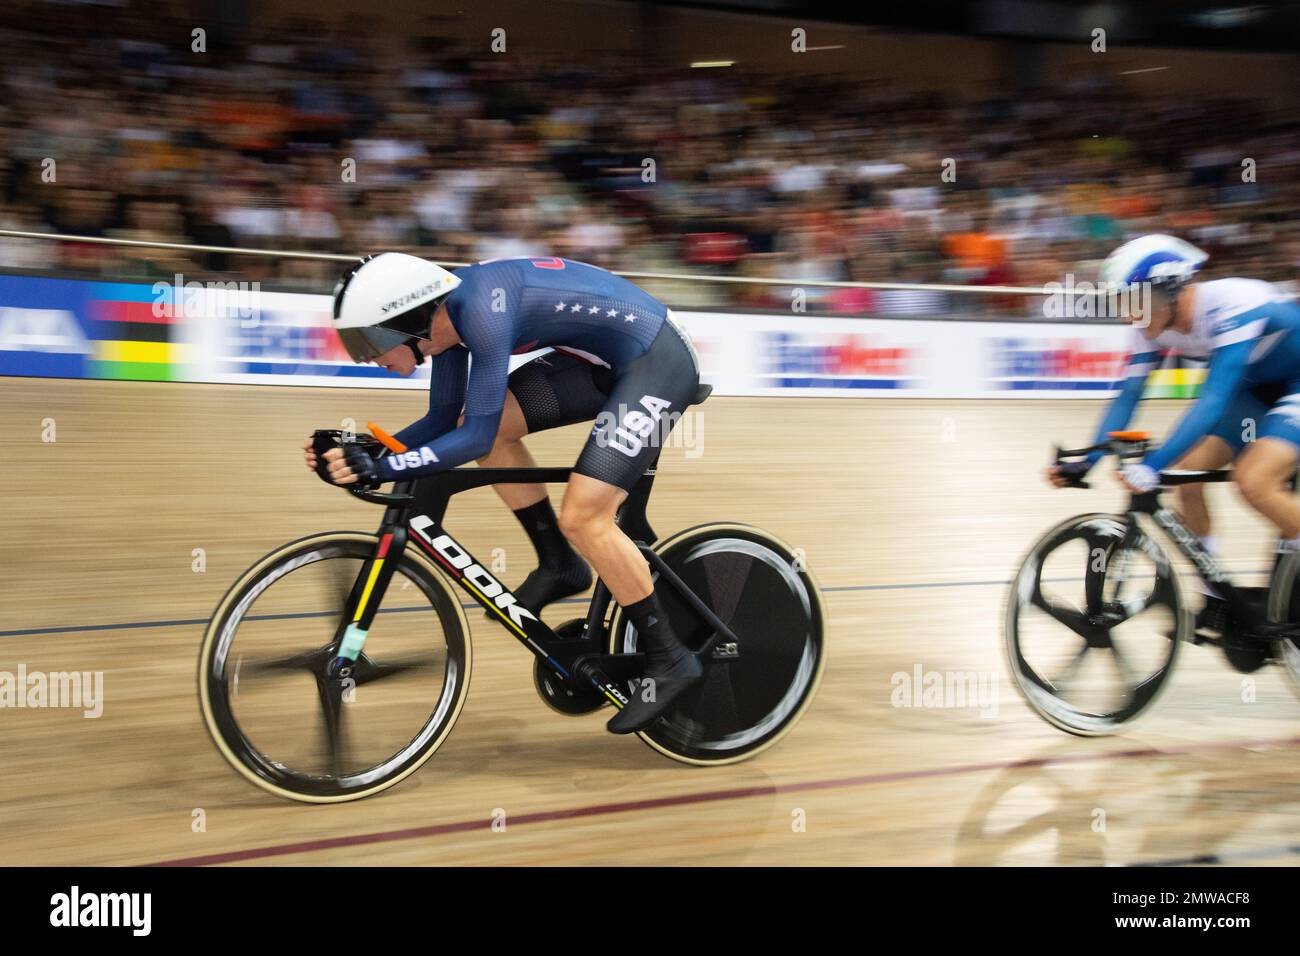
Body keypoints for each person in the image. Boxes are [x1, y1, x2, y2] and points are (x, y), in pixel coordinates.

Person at [303, 252, 704, 733]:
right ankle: (560, 562)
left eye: (368, 341)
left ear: (404, 318)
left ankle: (671, 657)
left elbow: (471, 436)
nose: (367, 356)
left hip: (655, 360)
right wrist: (367, 450)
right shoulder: (445, 327)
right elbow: (442, 422)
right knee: (478, 432)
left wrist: (385, 466)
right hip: (596, 362)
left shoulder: (480, 309)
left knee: (584, 515)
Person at [1047, 234, 1300, 639]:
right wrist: (1086, 461)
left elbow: (1212, 402)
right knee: (1188, 474)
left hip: (1294, 383)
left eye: (1131, 302)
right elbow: (1129, 394)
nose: (1128, 315)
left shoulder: (1233, 304)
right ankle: (1215, 600)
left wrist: (1151, 465)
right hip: (1255, 391)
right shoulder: (1153, 324)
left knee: (1254, 481)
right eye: (1121, 303)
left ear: (1166, 292)